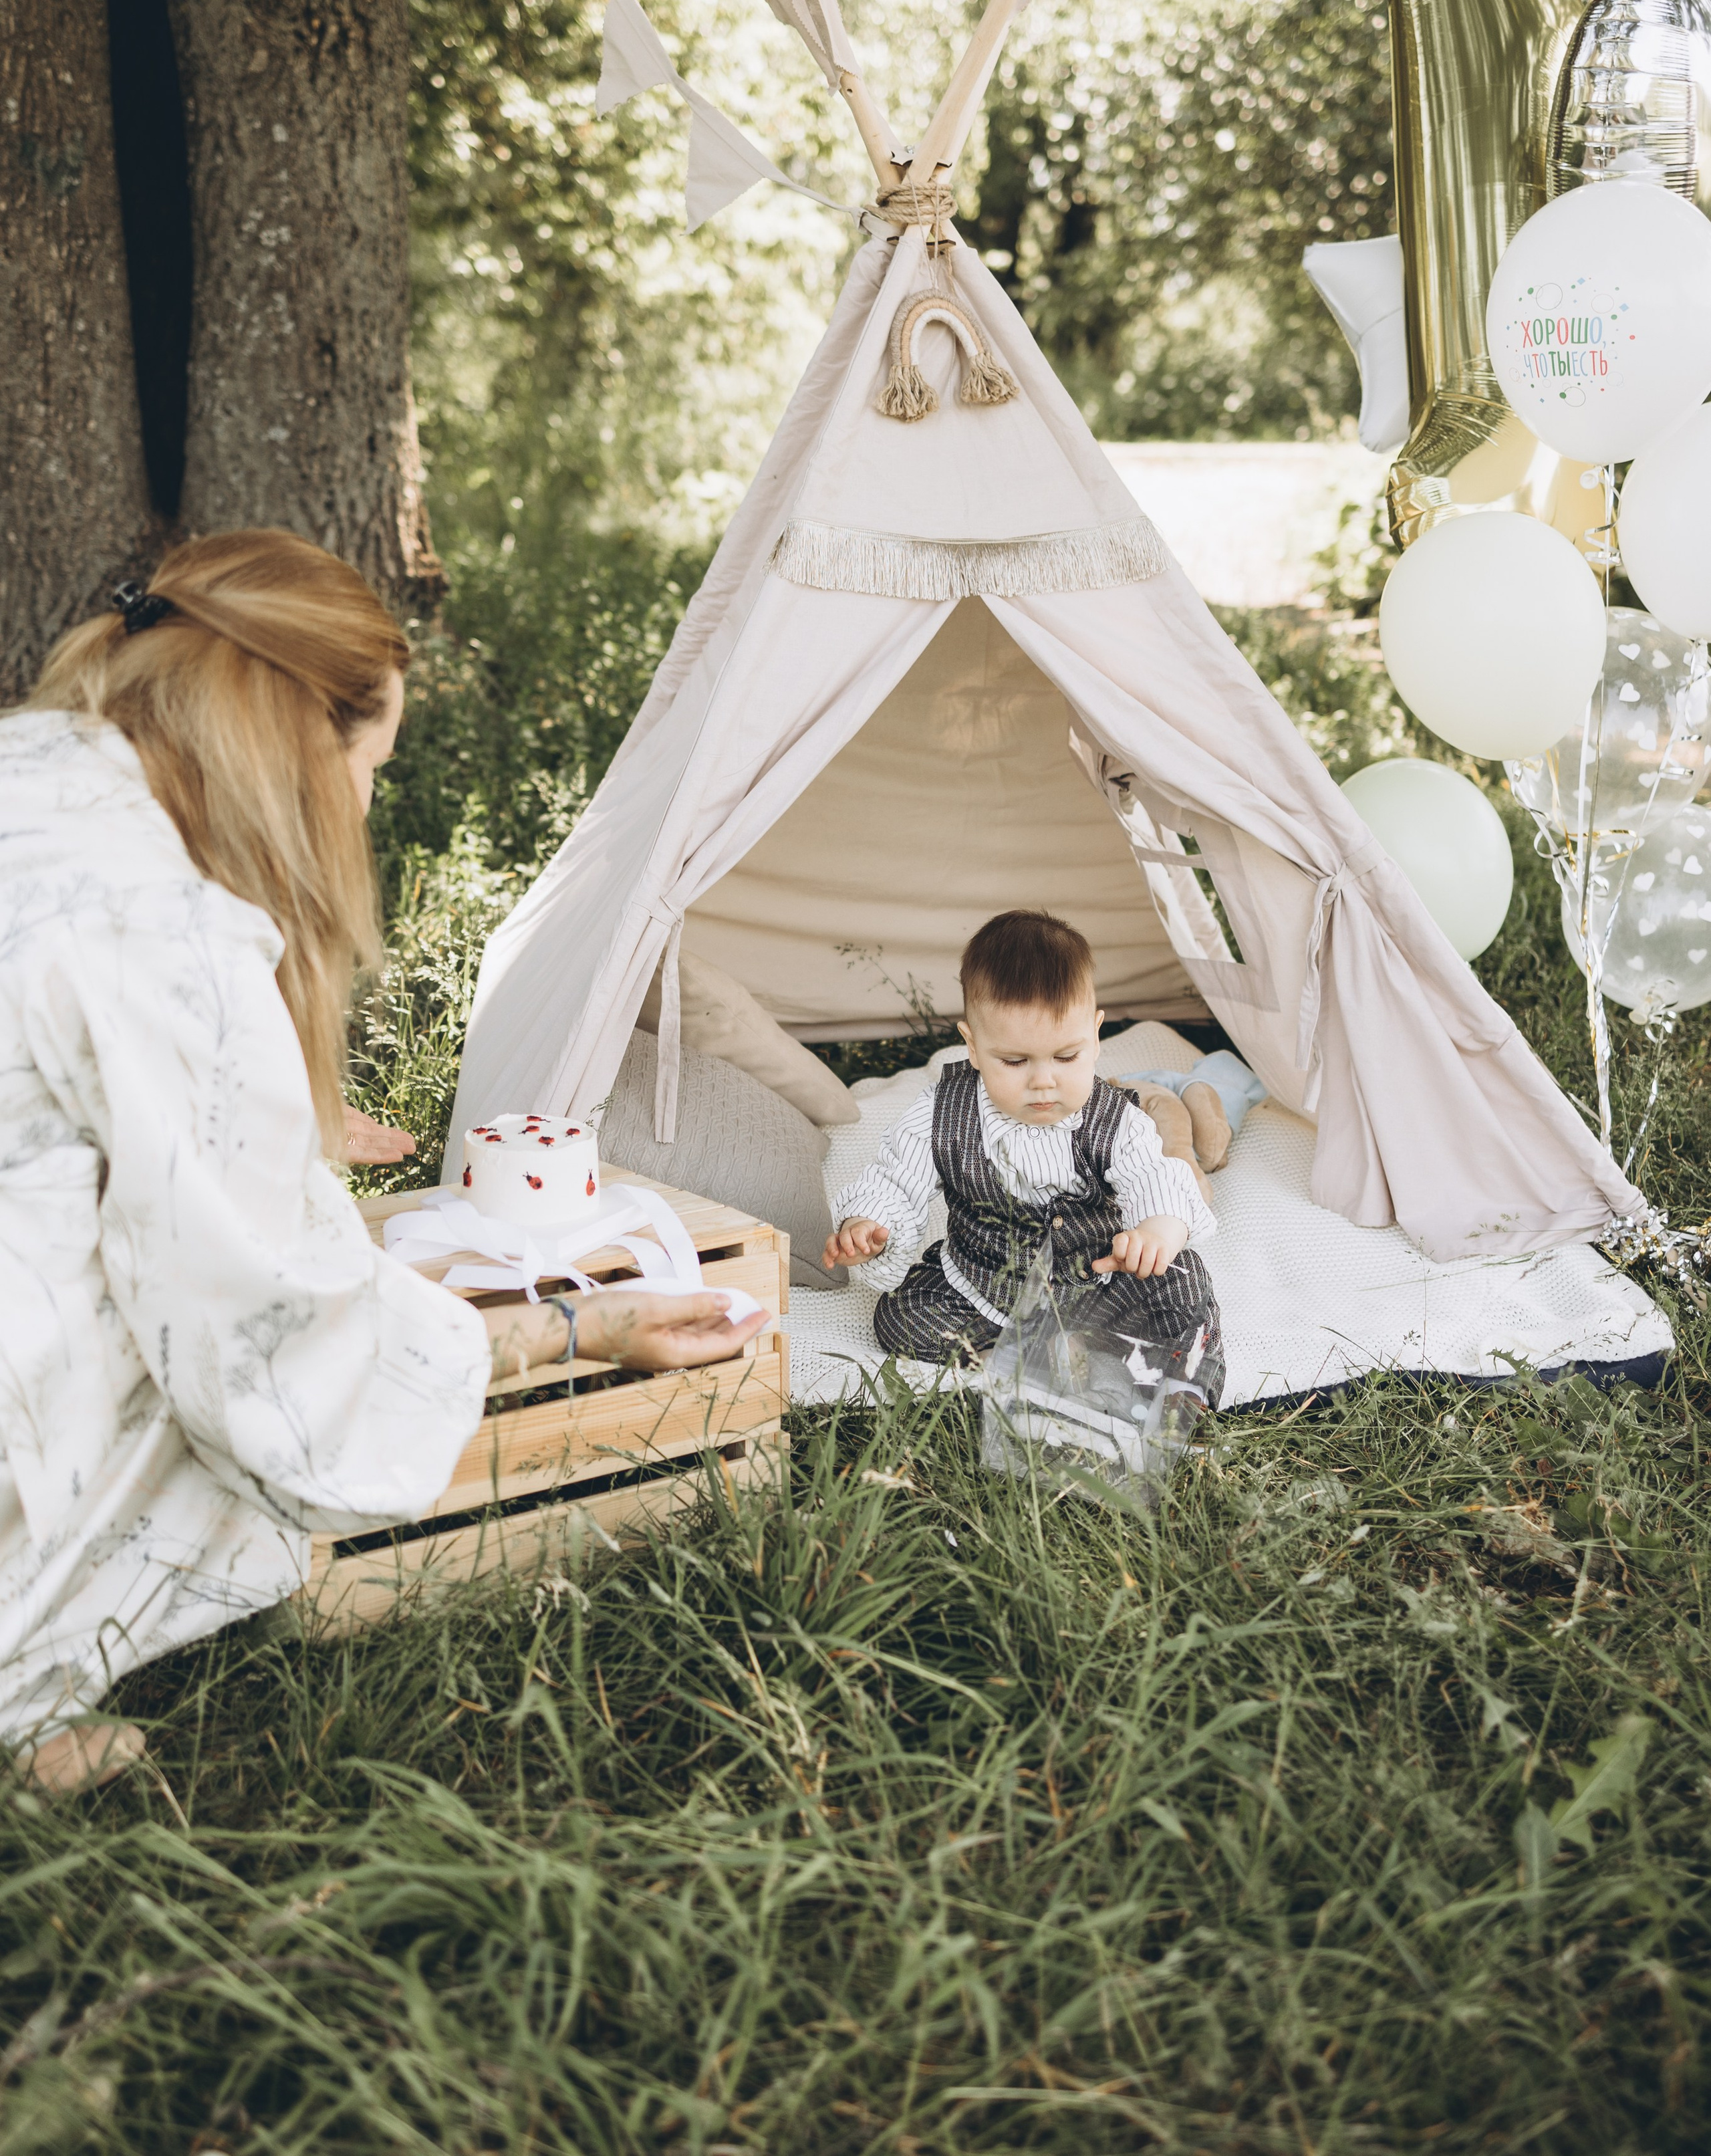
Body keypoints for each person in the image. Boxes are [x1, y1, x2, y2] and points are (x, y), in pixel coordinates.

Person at [0, 531, 764, 1796]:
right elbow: (281, 1350)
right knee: (164, 1351)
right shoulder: (174, 939)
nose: (365, 803)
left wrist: (258, 1129)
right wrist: (580, 1327)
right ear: (300, 739)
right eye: (372, 766)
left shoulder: (40, 772)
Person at [823, 909, 1223, 1395]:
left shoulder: (1114, 1119)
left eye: (1066, 1056)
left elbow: (1155, 1177)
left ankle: (1175, 1384)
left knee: (1183, 1278)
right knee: (901, 1314)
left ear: (1095, 1036)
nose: (1043, 1081)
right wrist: (867, 1225)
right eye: (1014, 1061)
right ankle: (1018, 1354)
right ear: (973, 1046)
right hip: (984, 1289)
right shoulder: (943, 1113)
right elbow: (894, 1181)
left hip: (1098, 1284)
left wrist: (1155, 1233)